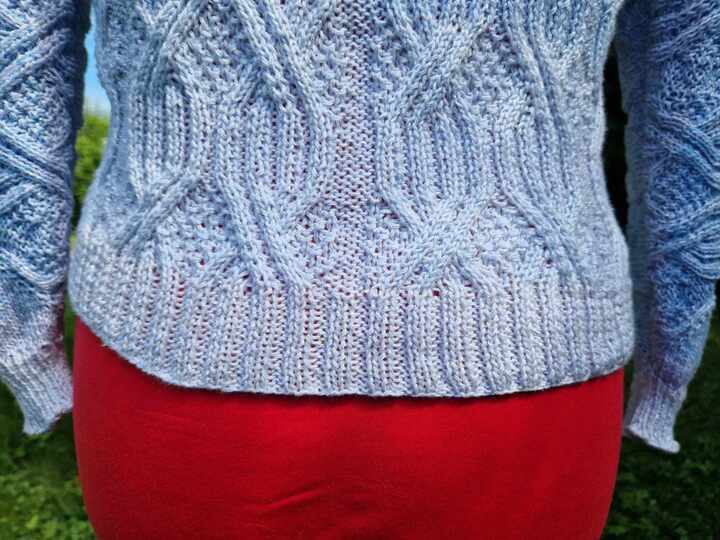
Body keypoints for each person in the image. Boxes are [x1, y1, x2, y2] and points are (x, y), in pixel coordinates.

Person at [1, 0, 718, 539]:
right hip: (525, 373)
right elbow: (690, 90)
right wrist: (671, 348)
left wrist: (26, 327)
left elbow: (22, 57)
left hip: (178, 363)